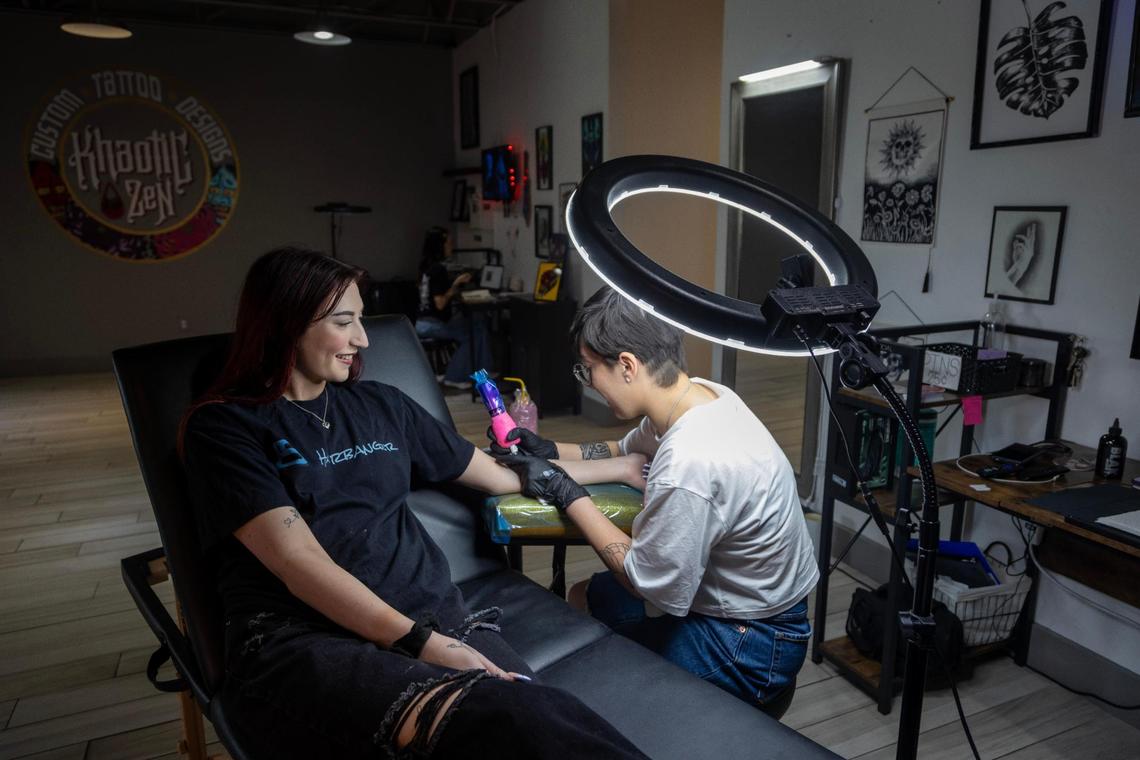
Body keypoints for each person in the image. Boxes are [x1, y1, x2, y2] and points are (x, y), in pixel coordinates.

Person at [179, 248, 650, 759]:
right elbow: (299, 562)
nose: (362, 339)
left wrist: (618, 466)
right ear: (285, 324)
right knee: (507, 720)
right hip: (307, 638)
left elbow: (499, 475)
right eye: (345, 322)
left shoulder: (382, 405)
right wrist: (421, 644)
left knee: (545, 714)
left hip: (433, 613)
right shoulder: (226, 428)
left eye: (360, 320)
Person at [495, 286, 819, 712]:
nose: (589, 382)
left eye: (589, 370)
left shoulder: (692, 461)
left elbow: (647, 582)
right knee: (581, 595)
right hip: (745, 606)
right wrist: (549, 451)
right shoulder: (699, 396)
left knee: (593, 686)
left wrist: (566, 494)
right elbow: (624, 450)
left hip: (752, 643)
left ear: (627, 366)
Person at [414, 226, 492, 389]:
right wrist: (456, 284)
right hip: (431, 324)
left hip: (421, 321)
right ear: (440, 246)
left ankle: (482, 373)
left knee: (478, 324)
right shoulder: (438, 269)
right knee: (473, 331)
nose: (452, 246)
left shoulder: (425, 267)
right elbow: (440, 303)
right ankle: (456, 376)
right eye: (449, 243)